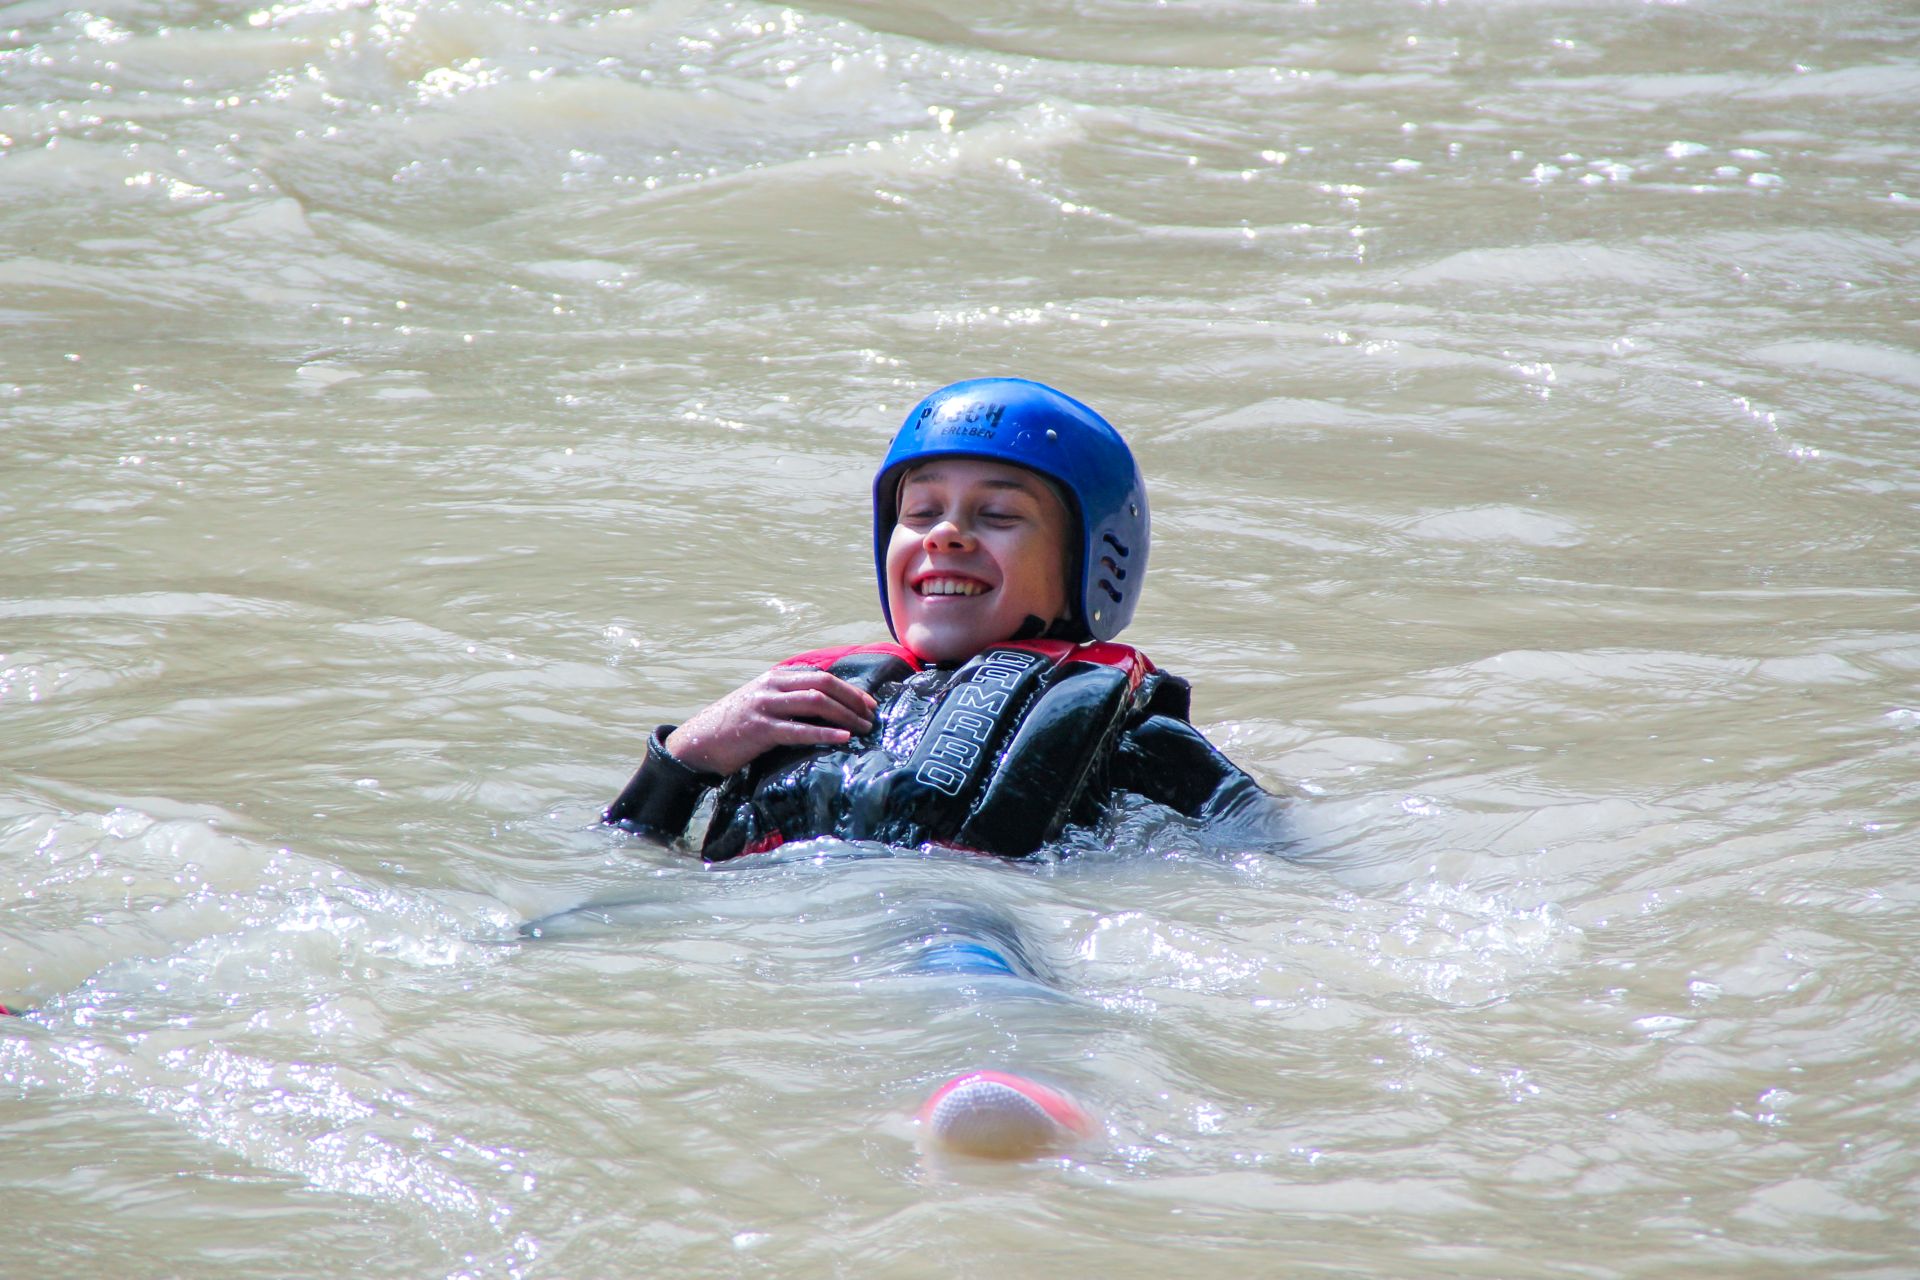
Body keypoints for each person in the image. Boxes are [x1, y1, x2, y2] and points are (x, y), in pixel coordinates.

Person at [604, 377, 1288, 861]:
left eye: (998, 516)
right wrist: (686, 758)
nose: (946, 536)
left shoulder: (1124, 731)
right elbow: (627, 846)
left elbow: (1270, 842)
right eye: (921, 513)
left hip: (962, 928)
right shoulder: (794, 708)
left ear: (1091, 564)